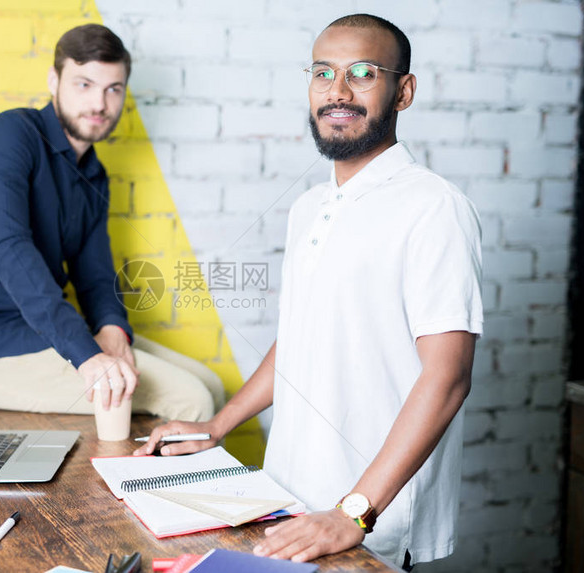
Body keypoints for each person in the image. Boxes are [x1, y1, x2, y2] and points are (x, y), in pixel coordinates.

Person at [134, 14, 483, 568]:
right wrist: (218, 425)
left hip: (371, 523)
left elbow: (448, 377)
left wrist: (354, 511)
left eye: (363, 72)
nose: (337, 91)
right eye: (323, 72)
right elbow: (299, 339)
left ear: (404, 91)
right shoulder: (308, 208)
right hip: (289, 502)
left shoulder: (433, 207)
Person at [0, 24, 223, 421]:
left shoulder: (93, 174)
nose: (100, 104)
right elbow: (10, 250)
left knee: (209, 383)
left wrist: (111, 328)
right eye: (84, 84)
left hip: (50, 337)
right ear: (54, 80)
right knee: (193, 401)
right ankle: (155, 486)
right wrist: (86, 352)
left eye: (113, 89)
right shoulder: (9, 135)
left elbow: (95, 275)